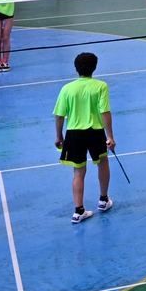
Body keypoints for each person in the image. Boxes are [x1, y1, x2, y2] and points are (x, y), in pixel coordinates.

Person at [54, 51, 116, 223]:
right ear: (94, 68)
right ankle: (103, 200)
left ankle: (78, 211)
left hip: (74, 134)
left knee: (78, 171)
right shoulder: (101, 86)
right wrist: (110, 136)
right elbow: (105, 112)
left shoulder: (67, 88)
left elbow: (59, 116)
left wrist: (59, 136)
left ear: (76, 68)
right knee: (103, 163)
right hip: (95, 132)